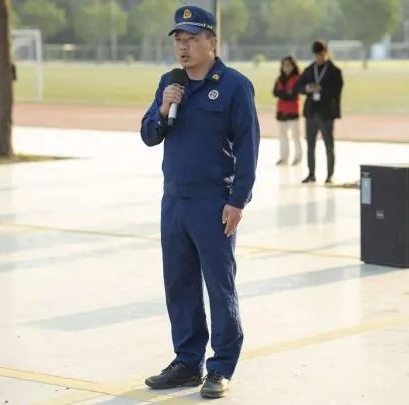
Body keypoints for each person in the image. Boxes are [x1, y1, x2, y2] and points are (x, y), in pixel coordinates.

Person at [140, 5, 260, 399]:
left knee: (219, 286)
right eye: (179, 39)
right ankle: (187, 362)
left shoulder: (234, 86)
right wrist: (163, 107)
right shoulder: (169, 83)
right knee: (179, 284)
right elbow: (149, 135)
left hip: (214, 203)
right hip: (174, 200)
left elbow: (248, 148)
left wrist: (238, 200)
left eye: (191, 39)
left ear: (212, 42)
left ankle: (221, 366)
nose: (183, 47)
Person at [298, 40, 343, 184]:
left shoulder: (334, 71)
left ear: (326, 53)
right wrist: (307, 88)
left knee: (328, 144)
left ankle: (330, 175)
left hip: (326, 113)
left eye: (321, 55)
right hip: (311, 112)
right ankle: (311, 173)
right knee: (310, 145)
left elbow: (337, 91)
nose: (319, 58)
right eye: (316, 55)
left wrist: (321, 89)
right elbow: (299, 86)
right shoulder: (309, 69)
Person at [273, 55, 302, 166]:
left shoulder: (297, 78)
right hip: (281, 111)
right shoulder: (279, 79)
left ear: (293, 66)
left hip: (293, 111)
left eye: (289, 65)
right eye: (284, 65)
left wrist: (282, 93)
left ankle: (298, 157)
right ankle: (284, 157)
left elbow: (293, 95)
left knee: (295, 136)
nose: (286, 67)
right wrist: (286, 93)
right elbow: (275, 92)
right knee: (282, 136)